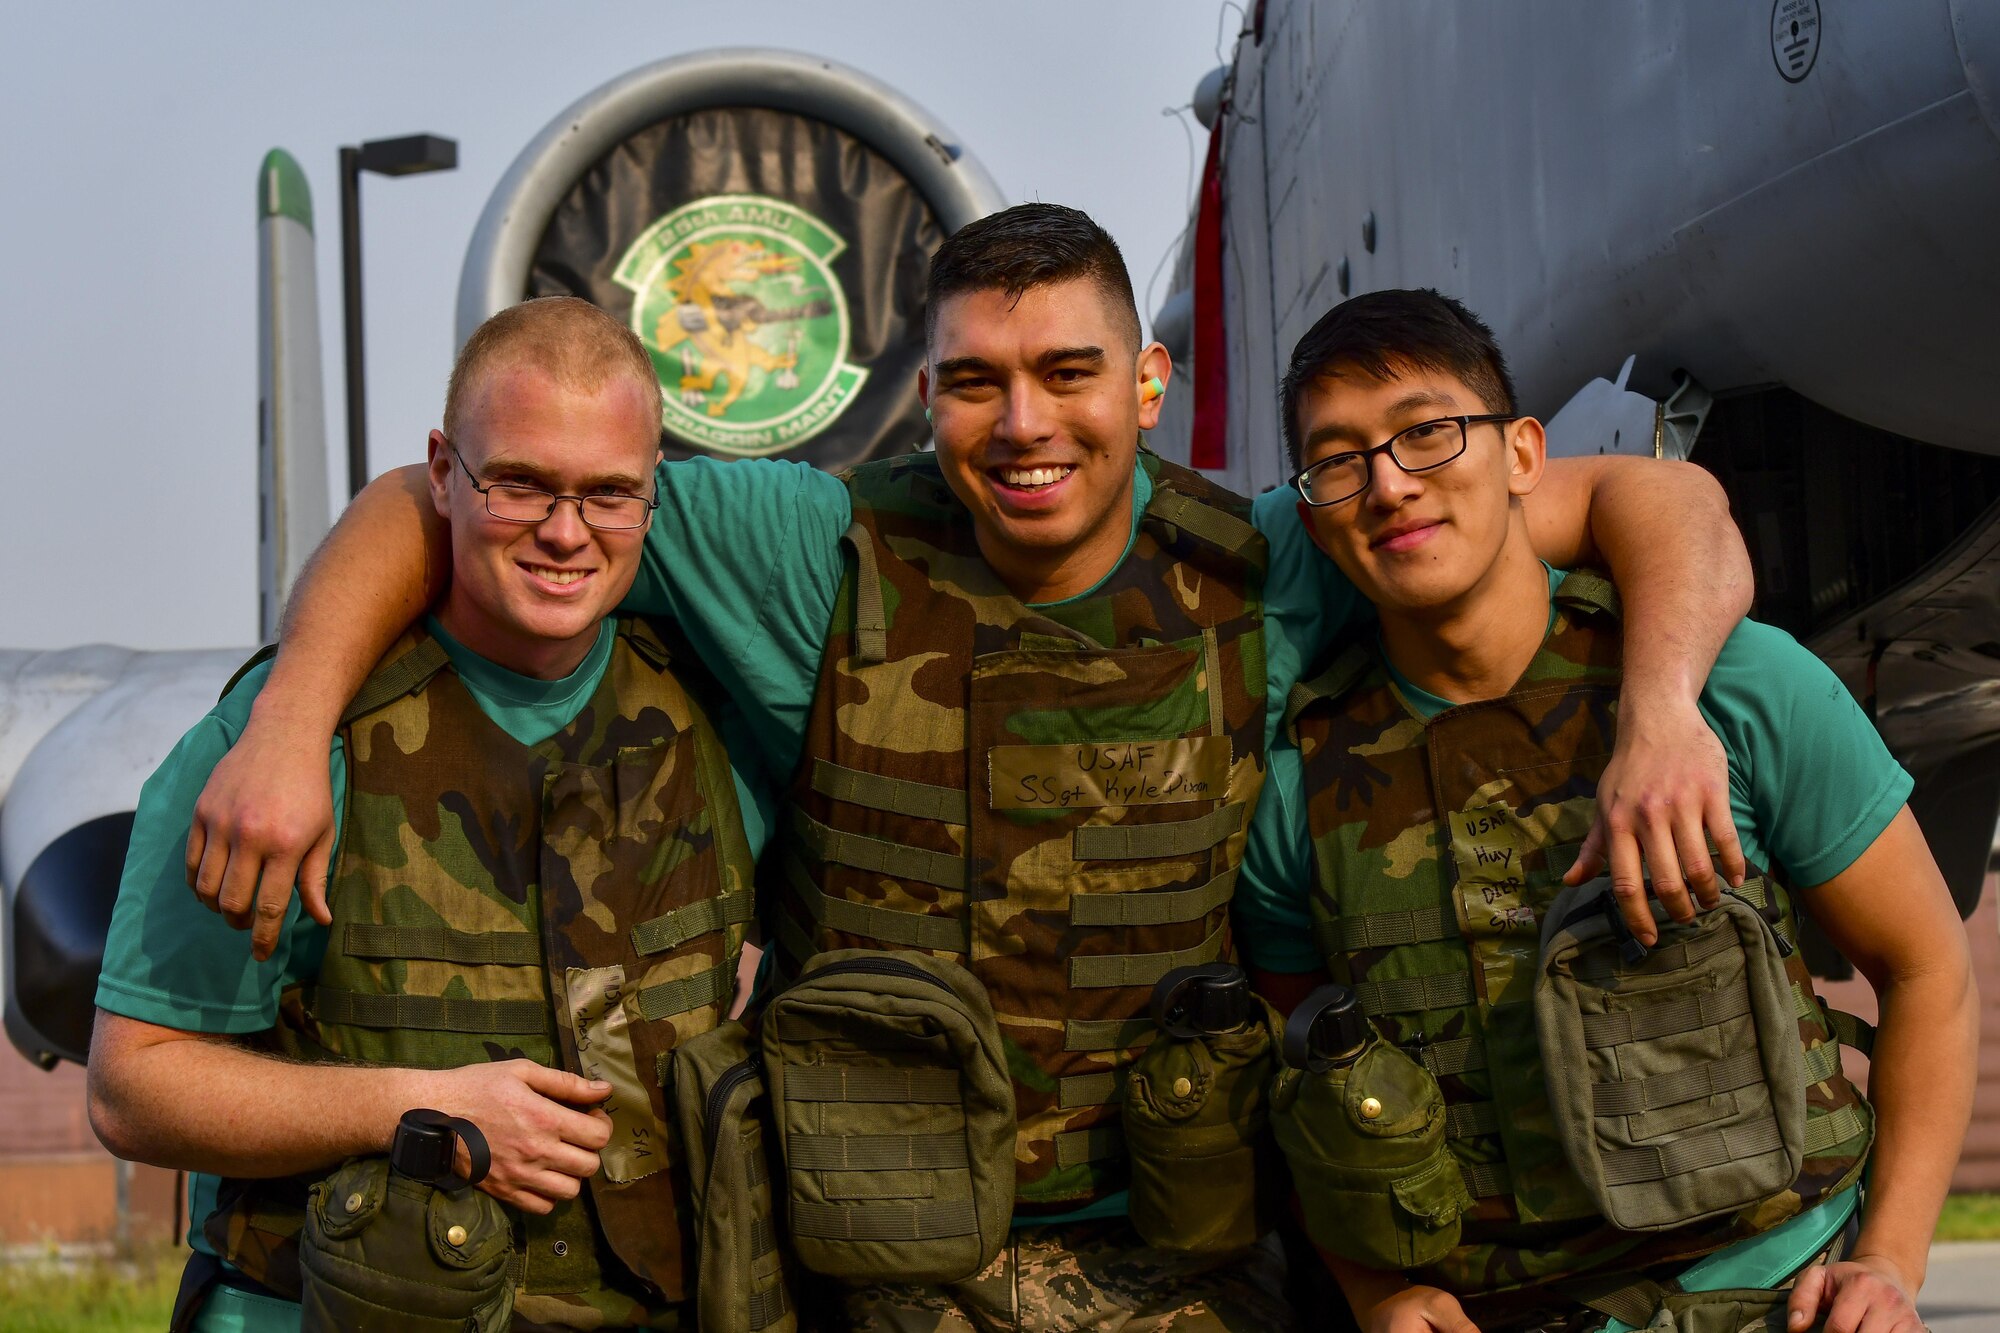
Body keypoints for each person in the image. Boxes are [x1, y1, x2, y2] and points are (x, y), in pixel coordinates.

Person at [178, 205, 1754, 1331]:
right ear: (927, 400)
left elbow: (1658, 505)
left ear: (1142, 385)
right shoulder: (811, 547)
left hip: (1182, 1255)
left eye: (1068, 372)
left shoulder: (1270, 559)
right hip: (877, 1262)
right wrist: (291, 715)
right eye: (980, 382)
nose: (1026, 424)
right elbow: (437, 493)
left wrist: (1665, 709)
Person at [1267, 288, 1974, 1333]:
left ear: (1519, 455)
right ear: (1310, 518)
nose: (1386, 485)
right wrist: (1378, 1290)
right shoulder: (1299, 789)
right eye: (1337, 461)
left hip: (1778, 1298)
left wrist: (1888, 1261)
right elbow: (1302, 1083)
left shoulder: (1736, 687)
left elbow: (1926, 970)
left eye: (1425, 434)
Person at [88, 297, 773, 1332]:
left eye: (607, 494)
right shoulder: (283, 749)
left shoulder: (713, 723)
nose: (563, 530)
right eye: (520, 484)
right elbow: (131, 1089)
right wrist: (415, 1104)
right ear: (443, 471)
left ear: (650, 498)